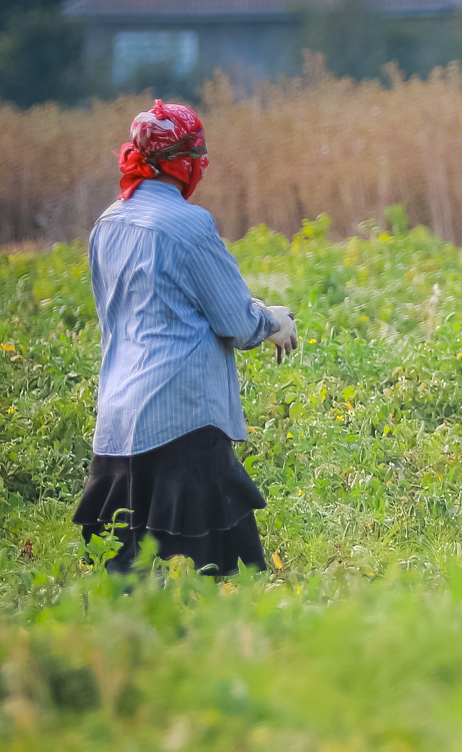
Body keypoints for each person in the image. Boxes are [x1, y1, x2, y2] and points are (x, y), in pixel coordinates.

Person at [73, 99, 299, 575]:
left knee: (126, 586)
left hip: (117, 424)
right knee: (221, 584)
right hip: (183, 421)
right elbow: (237, 324)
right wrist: (272, 321)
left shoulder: (107, 224)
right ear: (187, 161)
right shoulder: (190, 224)